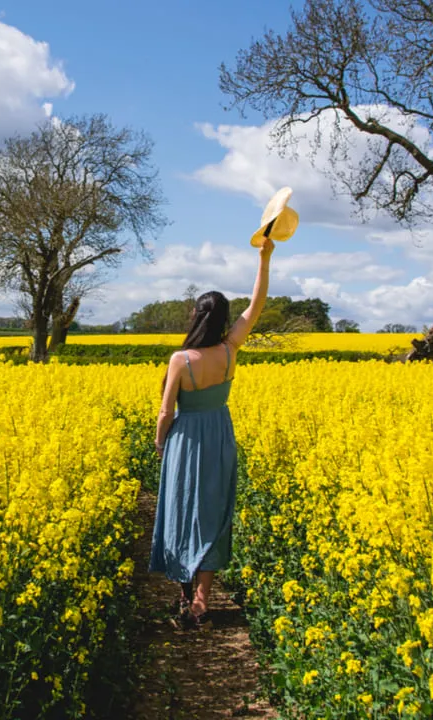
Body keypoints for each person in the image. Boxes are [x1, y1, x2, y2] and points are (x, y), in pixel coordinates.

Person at [149, 235, 276, 630]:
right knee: (211, 512)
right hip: (219, 436)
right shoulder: (229, 350)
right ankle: (203, 599)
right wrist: (264, 258)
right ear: (221, 320)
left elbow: (166, 410)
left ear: (196, 317)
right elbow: (256, 306)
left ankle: (185, 594)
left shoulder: (180, 359)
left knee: (182, 509)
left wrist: (159, 440)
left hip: (185, 440)